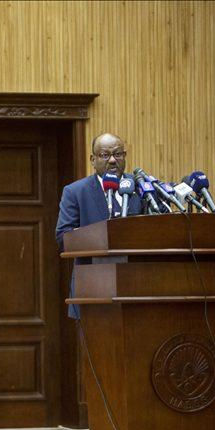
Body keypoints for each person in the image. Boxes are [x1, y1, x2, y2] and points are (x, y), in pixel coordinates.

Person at [56, 133, 142, 319]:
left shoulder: (139, 188)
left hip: (137, 286)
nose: (112, 160)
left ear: (124, 156)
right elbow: (63, 237)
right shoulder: (76, 192)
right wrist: (101, 236)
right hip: (93, 287)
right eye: (104, 155)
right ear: (93, 160)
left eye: (118, 154)